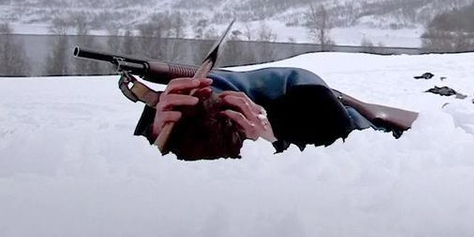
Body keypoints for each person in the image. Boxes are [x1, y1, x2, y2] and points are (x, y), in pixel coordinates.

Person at [133, 66, 416, 161]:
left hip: (322, 103)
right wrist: (154, 131)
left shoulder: (321, 112)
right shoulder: (176, 114)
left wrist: (275, 146)